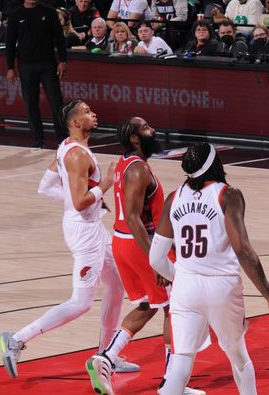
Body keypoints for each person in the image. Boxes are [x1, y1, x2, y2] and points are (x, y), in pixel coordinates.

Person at [0, 101, 133, 378]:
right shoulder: (76, 156)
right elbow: (82, 202)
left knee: (117, 285)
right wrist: (105, 185)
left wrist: (83, 202)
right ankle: (17, 339)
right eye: (86, 111)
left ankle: (105, 355)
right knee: (81, 302)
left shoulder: (66, 148)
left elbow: (46, 186)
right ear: (74, 123)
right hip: (85, 232)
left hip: (90, 227)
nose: (93, 113)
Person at [150, 142, 269, 394]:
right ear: (215, 164)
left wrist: (178, 277)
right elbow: (244, 251)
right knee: (238, 355)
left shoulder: (174, 198)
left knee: (180, 364)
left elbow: (156, 258)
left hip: (186, 287)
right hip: (221, 286)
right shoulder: (228, 195)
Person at [86, 117, 203, 395]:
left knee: (147, 305)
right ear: (136, 139)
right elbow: (137, 219)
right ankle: (172, 383)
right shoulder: (138, 170)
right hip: (140, 244)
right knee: (174, 308)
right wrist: (157, 261)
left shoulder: (126, 163)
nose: (154, 131)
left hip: (122, 241)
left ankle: (106, 358)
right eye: (147, 128)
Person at [5, 0, 68, 149]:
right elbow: (10, 44)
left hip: (48, 65)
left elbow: (59, 39)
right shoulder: (16, 15)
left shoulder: (49, 12)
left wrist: (62, 60)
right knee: (31, 103)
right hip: (26, 66)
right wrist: (10, 67)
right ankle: (37, 139)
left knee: (56, 102)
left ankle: (62, 138)